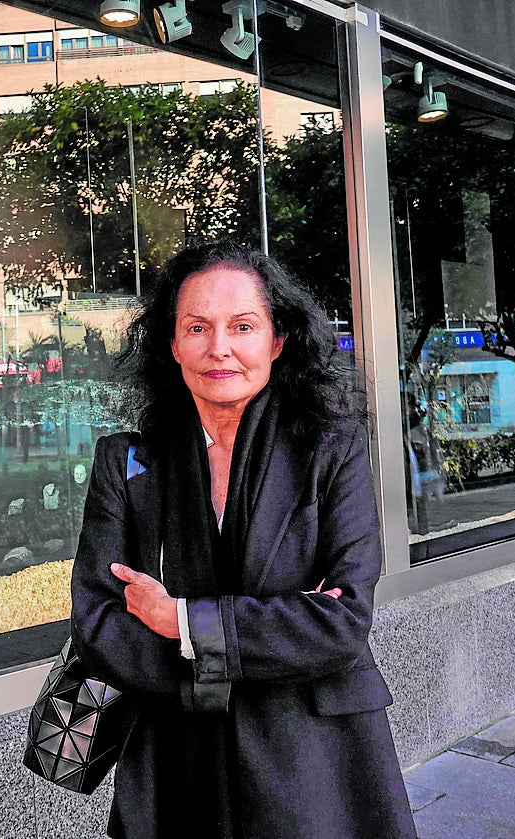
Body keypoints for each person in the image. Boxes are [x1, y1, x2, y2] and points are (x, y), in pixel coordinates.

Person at [71, 243, 416, 839]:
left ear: (277, 341)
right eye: (197, 327)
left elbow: (342, 623)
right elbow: (99, 622)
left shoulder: (331, 452)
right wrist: (275, 632)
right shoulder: (126, 465)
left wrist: (181, 623)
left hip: (314, 759)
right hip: (174, 760)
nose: (219, 347)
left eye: (243, 326)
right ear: (172, 344)